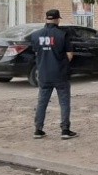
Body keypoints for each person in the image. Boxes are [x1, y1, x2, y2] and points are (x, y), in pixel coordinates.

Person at [30, 9, 77, 140]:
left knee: (42, 102)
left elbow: (37, 53)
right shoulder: (62, 34)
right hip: (60, 74)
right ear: (57, 19)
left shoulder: (35, 35)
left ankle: (38, 130)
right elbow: (70, 55)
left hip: (44, 74)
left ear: (46, 19)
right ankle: (65, 130)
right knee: (64, 102)